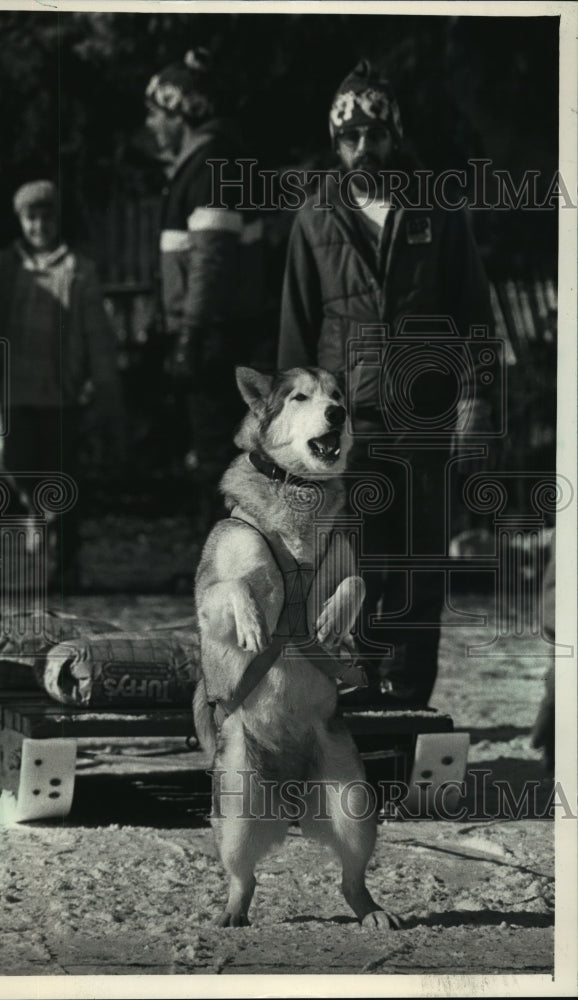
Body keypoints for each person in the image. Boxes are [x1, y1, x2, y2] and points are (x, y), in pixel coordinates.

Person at [278, 59, 496, 707]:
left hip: (424, 422)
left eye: (374, 133)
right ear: (336, 142)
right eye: (350, 137)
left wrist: (477, 396)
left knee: (420, 571)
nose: (363, 148)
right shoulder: (315, 219)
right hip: (344, 432)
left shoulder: (438, 212)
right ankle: (357, 704)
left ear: (394, 135)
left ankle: (407, 704)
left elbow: (475, 314)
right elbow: (296, 331)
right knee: (349, 573)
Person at [0, 180, 125, 592]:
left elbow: (98, 338)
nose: (39, 226)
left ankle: (66, 563)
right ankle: (38, 513)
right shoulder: (5, 267)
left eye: (46, 217)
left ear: (57, 219)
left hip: (61, 392)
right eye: (30, 218)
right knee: (18, 462)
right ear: (20, 221)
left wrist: (106, 391)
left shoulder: (77, 270)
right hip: (16, 390)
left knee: (63, 475)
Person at [145, 47, 270, 529]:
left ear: (182, 114)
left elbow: (211, 261)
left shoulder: (209, 166)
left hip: (216, 338)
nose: (152, 125)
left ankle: (224, 565)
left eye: (157, 113)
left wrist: (190, 335)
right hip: (221, 334)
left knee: (218, 452)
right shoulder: (208, 163)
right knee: (217, 452)